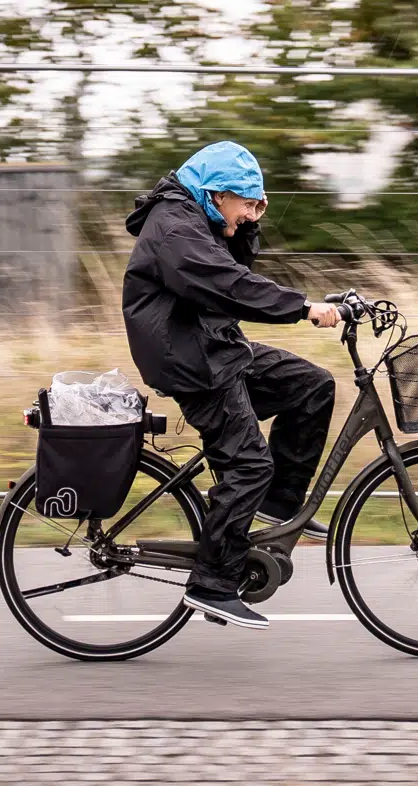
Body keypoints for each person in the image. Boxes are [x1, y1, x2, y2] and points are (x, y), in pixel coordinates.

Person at [122, 141, 342, 630]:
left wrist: (243, 223)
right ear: (216, 194)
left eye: (257, 205)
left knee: (312, 386)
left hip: (214, 345)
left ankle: (274, 508)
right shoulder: (173, 225)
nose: (251, 214)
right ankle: (214, 583)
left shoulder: (200, 216)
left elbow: (238, 269)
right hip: (190, 359)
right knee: (248, 463)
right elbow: (228, 284)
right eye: (247, 203)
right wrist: (302, 307)